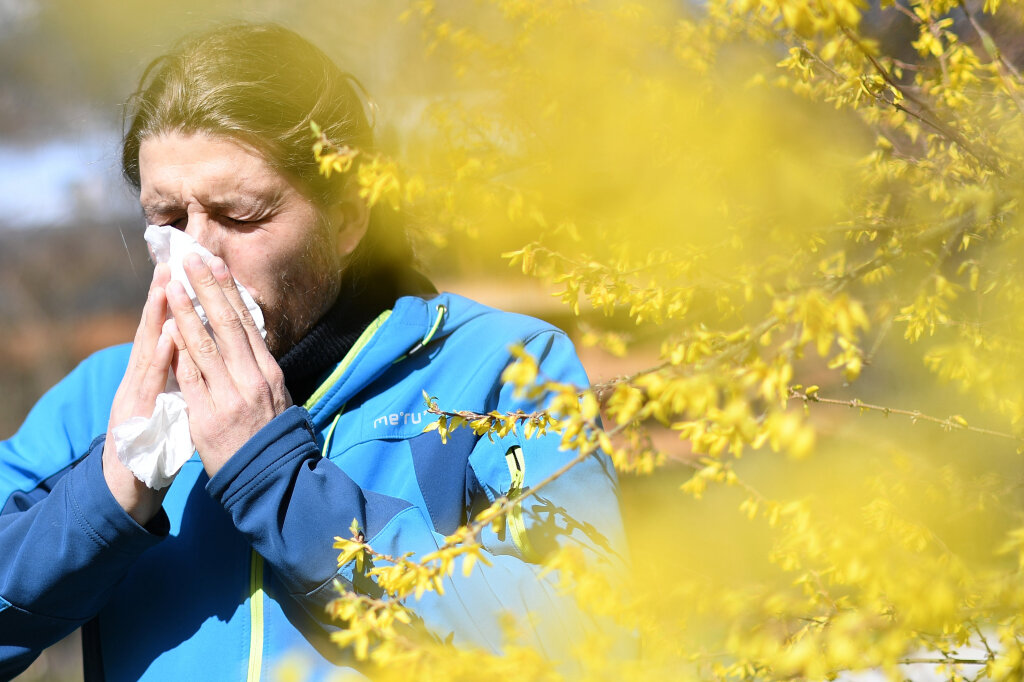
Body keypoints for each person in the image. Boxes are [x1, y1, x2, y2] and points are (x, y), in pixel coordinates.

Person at [0, 23, 625, 681]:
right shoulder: (107, 396)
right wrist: (108, 497)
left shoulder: (500, 367)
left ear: (349, 218)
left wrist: (281, 483)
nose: (198, 255)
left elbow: (586, 638)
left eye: (241, 216)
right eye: (169, 221)